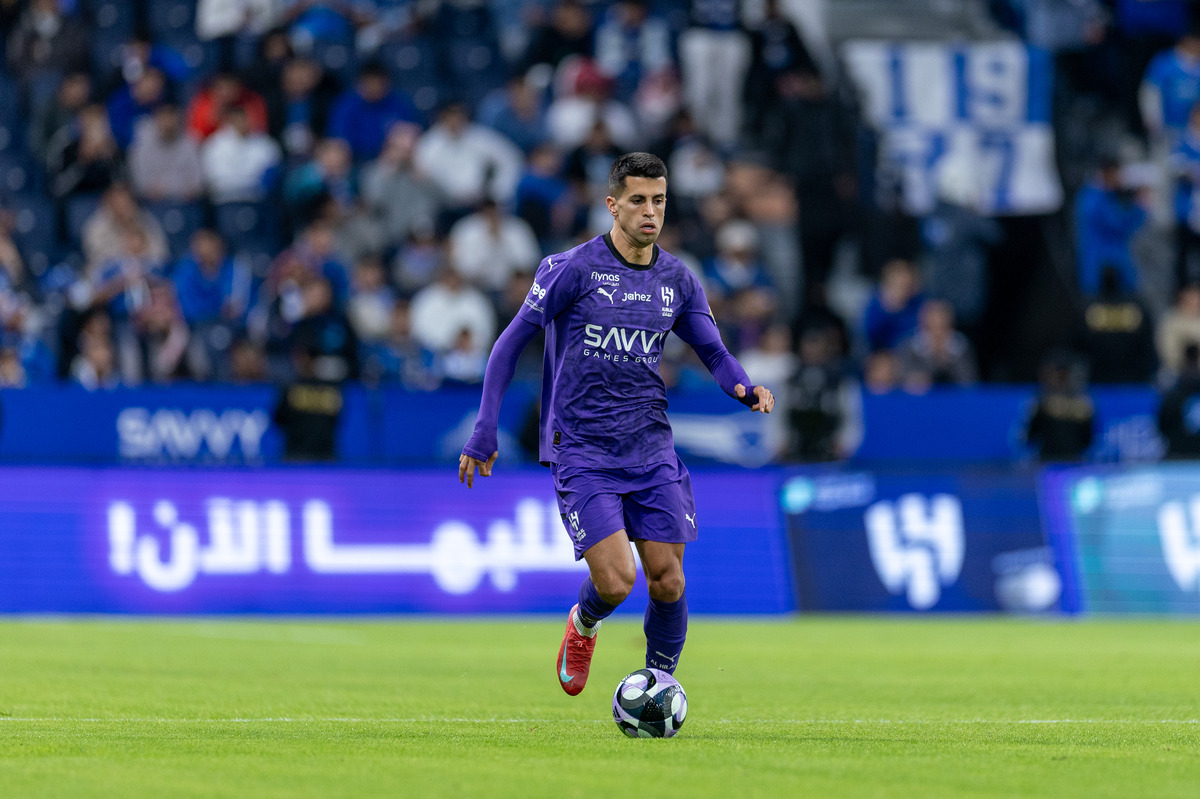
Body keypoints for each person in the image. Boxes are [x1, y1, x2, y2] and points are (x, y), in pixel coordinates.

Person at [458, 153, 774, 695]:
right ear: (612, 205)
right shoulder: (572, 269)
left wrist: (744, 387)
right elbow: (508, 346)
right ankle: (583, 624)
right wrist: (485, 428)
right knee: (617, 579)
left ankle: (657, 684)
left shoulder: (678, 279)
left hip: (651, 448)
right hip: (582, 448)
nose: (650, 212)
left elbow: (715, 354)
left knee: (668, 581)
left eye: (659, 201)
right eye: (638, 201)